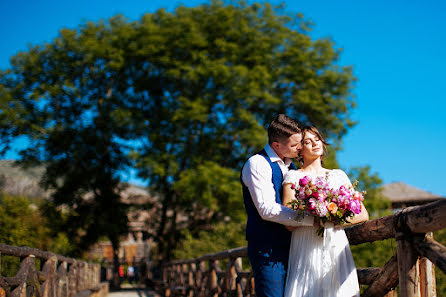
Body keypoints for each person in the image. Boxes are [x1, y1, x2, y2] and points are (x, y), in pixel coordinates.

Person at [282, 126, 369, 297]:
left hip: (335, 242)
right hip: (306, 244)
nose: (315, 143)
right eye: (308, 141)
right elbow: (287, 219)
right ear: (299, 150)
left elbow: (362, 214)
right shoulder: (293, 177)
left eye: (317, 139)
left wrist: (332, 219)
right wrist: (313, 216)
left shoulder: (338, 175)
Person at [241, 114, 317, 297]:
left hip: (297, 247)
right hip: (268, 248)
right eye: (294, 145)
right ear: (276, 145)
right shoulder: (257, 164)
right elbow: (266, 209)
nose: (300, 148)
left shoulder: (292, 168)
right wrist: (312, 220)